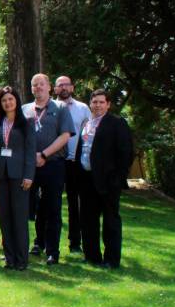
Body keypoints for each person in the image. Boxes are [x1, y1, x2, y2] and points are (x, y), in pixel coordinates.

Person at [76, 89, 133, 269]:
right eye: (95, 102)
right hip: (86, 179)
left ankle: (111, 259)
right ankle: (92, 255)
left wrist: (118, 178)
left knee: (110, 221)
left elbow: (126, 152)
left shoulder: (116, 123)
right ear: (90, 104)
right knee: (88, 219)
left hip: (108, 181)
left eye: (101, 102)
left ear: (108, 104)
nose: (98, 105)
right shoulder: (87, 123)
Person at [22, 73, 74, 265]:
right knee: (30, 207)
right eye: (34, 85)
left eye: (41, 84)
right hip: (29, 166)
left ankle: (53, 250)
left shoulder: (60, 108)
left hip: (53, 164)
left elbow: (65, 135)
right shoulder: (25, 109)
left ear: (49, 87)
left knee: (52, 208)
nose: (38, 88)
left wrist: (43, 154)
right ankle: (36, 243)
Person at [0, 88, 36, 270]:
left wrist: (29, 175)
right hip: (0, 177)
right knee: (5, 218)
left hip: (19, 177)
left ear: (17, 101)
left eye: (10, 99)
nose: (7, 103)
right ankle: (9, 258)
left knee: (19, 218)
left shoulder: (27, 123)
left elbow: (31, 152)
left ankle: (22, 259)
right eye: (4, 100)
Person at [55, 75, 92, 253]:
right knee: (51, 202)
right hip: (55, 161)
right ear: (55, 89)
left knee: (75, 203)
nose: (63, 88)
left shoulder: (83, 108)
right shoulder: (50, 108)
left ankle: (75, 242)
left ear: (72, 88)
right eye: (60, 85)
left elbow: (90, 133)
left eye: (66, 85)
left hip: (75, 162)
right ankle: (47, 243)